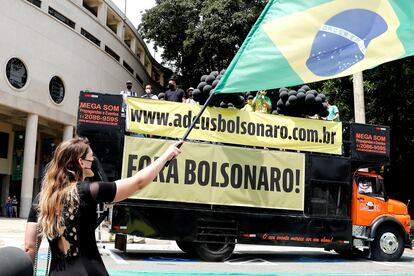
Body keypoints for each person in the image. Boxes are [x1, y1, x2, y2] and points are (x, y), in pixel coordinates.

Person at [24, 137, 183, 274]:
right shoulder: (89, 191)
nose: (93, 161)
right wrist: (165, 157)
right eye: (91, 157)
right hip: (90, 271)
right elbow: (138, 182)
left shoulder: (42, 199)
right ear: (81, 162)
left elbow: (30, 248)